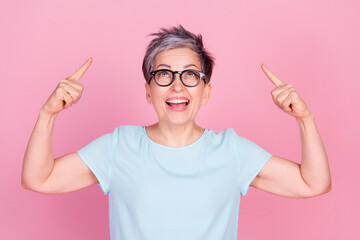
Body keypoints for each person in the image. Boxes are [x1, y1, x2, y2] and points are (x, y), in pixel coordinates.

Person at [22, 25, 331, 240]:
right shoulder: (118, 147)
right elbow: (39, 178)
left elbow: (313, 183)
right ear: (148, 90)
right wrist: (48, 114)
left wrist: (305, 118)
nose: (178, 86)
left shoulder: (231, 151)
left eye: (191, 75)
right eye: (165, 74)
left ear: (206, 92)